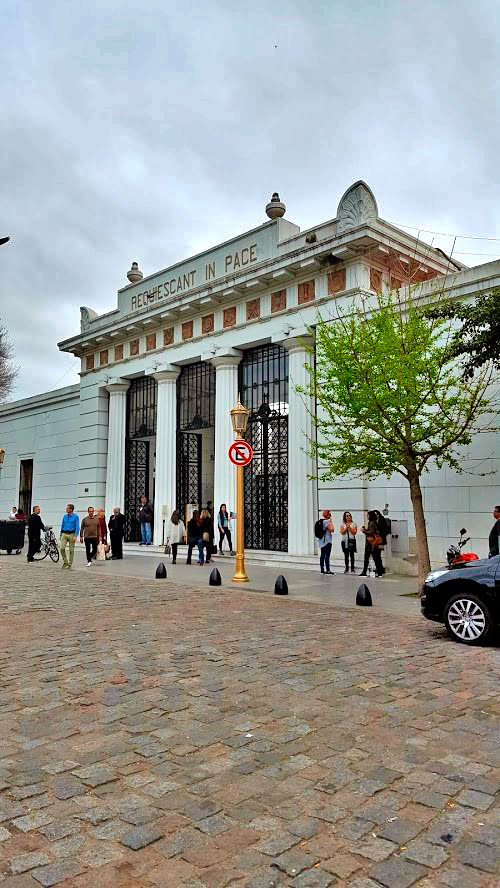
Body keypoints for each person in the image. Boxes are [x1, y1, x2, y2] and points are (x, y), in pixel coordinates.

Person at [360, 510, 385, 577]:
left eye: (368, 515)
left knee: (367, 558)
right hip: (374, 543)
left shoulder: (371, 523)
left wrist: (364, 531)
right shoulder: (375, 522)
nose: (367, 516)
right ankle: (380, 572)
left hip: (370, 543)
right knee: (377, 558)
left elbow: (371, 532)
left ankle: (364, 572)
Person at [60, 503, 80, 570]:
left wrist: (75, 536)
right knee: (62, 548)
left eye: (67, 508)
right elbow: (62, 525)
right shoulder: (65, 516)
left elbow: (77, 527)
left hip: (72, 534)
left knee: (71, 550)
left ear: (71, 509)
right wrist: (61, 534)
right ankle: (65, 562)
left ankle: (70, 563)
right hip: (64, 533)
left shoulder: (76, 517)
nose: (66, 509)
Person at [319, 509, 334, 574]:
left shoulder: (321, 521)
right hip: (327, 540)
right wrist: (331, 522)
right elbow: (332, 529)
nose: (330, 515)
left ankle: (322, 569)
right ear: (328, 515)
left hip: (321, 540)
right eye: (330, 514)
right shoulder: (327, 522)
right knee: (327, 555)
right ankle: (328, 570)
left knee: (322, 555)